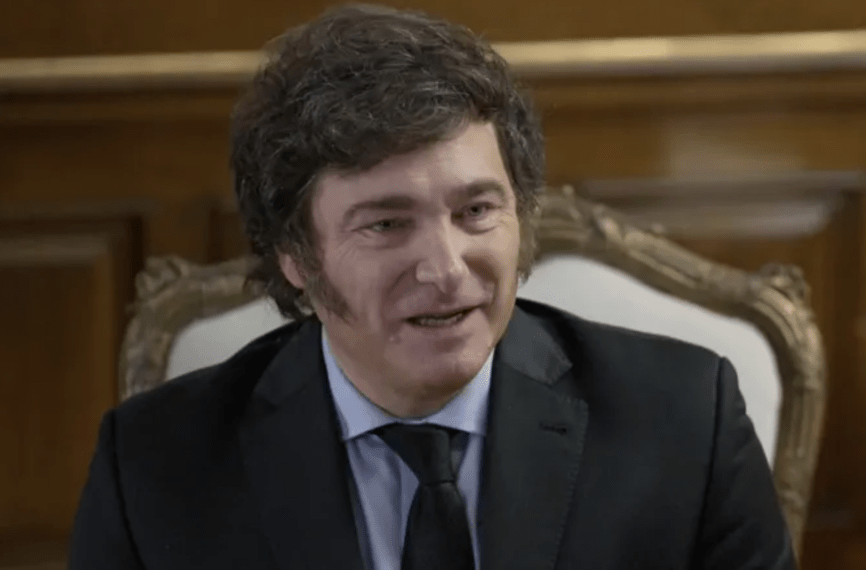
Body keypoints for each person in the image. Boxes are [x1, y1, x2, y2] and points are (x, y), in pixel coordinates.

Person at [68, 4, 794, 569]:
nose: (447, 269)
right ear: (295, 255)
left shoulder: (685, 421)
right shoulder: (156, 466)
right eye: (387, 224)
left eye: (476, 211)